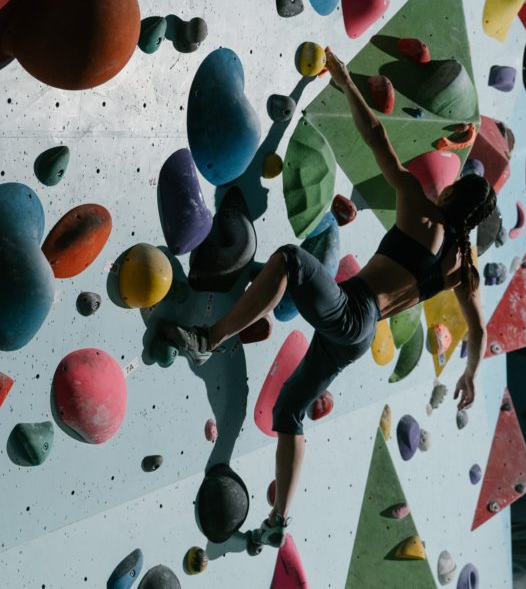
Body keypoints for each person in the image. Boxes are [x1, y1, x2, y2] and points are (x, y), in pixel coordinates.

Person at [158, 48, 496, 548]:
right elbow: (481, 330)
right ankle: (279, 520)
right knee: (289, 413)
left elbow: (378, 139)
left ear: (453, 198)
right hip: (357, 336)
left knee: (292, 260)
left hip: (351, 312)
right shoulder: (462, 269)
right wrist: (468, 372)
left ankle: (209, 337)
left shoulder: (422, 213)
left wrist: (346, 83)